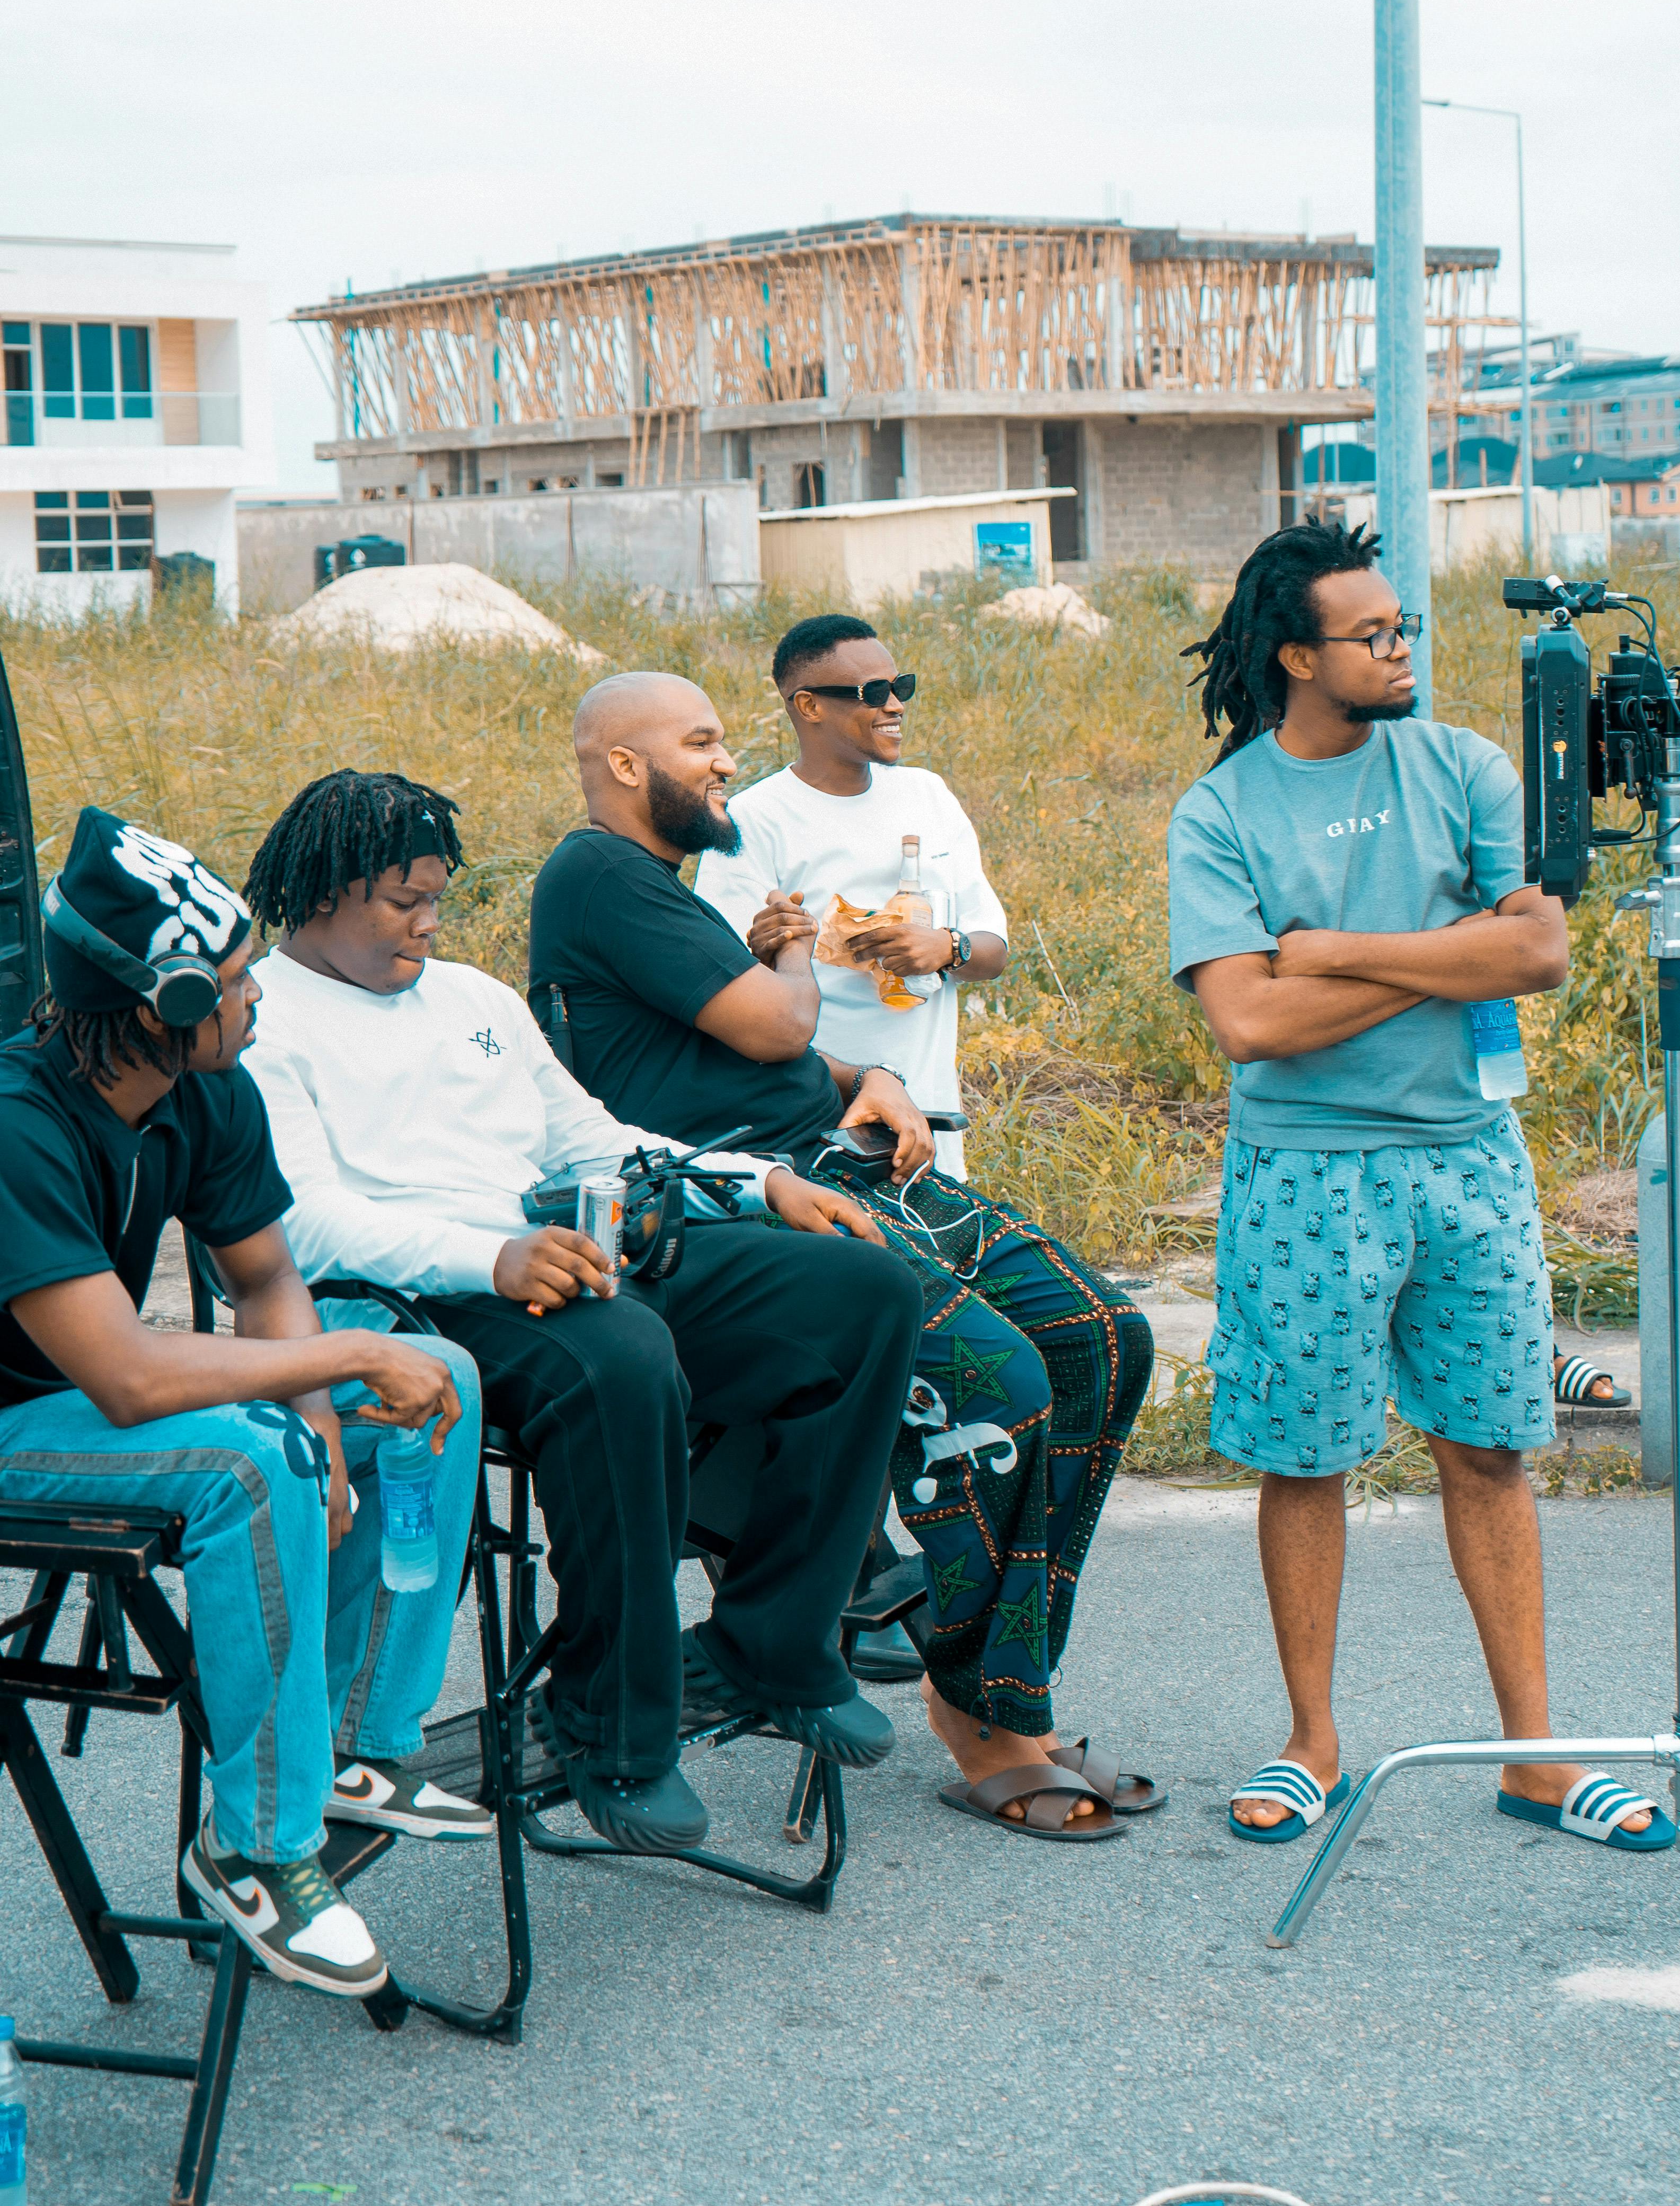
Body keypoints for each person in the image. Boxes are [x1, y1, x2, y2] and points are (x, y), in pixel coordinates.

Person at [241, 769, 923, 1860]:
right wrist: (493, 1257)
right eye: (404, 900)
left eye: (437, 898)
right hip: (421, 1298)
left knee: (865, 1293)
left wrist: (757, 1184)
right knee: (620, 1355)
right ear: (324, 892)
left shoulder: (472, 1001)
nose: (428, 921)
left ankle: (776, 1645)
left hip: (552, 1248)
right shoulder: (264, 1023)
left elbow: (591, 1139)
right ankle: (609, 1719)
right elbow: (303, 1227)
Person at [528, 674, 1158, 1843]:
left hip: (838, 1150)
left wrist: (858, 1075)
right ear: (624, 763)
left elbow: (731, 1053)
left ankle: (1001, 1689)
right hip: (764, 1205)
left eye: (722, 743)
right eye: (701, 742)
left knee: (1105, 1340)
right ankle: (983, 1718)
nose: (723, 762)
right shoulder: (597, 874)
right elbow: (771, 1022)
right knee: (1003, 1390)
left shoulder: (653, 890)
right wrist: (799, 969)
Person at [1168, 517, 1672, 1854]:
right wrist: (1440, 948)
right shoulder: (1220, 810)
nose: (1403, 649)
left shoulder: (1462, 763)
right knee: (1305, 1455)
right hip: (1302, 1171)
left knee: (1492, 1447)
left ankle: (1535, 1754)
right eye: (1374, 634)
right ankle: (1312, 1741)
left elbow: (1539, 951)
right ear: (1295, 654)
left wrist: (1323, 948)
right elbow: (1248, 1029)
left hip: (1467, 1157)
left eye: (1404, 628)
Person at [0, 809, 489, 2003]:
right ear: (162, 1006)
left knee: (442, 1382)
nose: (258, 992)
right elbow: (128, 1375)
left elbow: (266, 1279)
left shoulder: (207, 1089)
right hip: (20, 1422)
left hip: (97, 1401)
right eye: (230, 980)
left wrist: (327, 1401)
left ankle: (348, 1747)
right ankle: (258, 1849)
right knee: (247, 1456)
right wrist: (323, 1383)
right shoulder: (15, 1125)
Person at [693, 612, 1009, 1180]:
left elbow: (994, 949)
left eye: (901, 687)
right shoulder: (752, 823)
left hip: (932, 1119)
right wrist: (774, 948)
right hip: (821, 1126)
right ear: (809, 705)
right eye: (874, 693)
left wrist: (946, 946)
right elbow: (724, 989)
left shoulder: (927, 795)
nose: (896, 705)